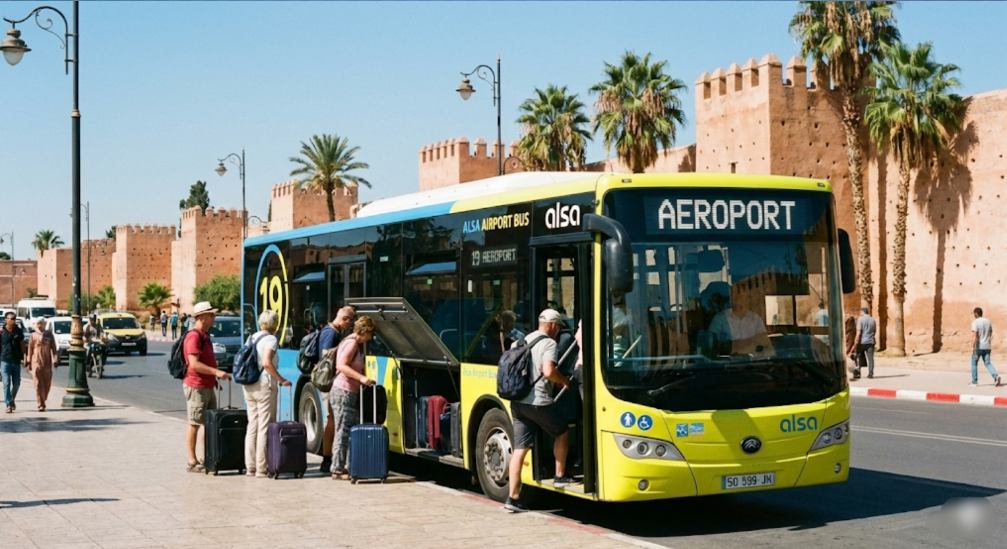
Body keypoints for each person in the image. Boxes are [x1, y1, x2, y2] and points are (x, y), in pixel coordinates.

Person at [505, 309, 573, 513]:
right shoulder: (549, 343)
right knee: (562, 432)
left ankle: (512, 498)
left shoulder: (521, 341)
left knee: (519, 449)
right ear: (552, 325)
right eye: (558, 326)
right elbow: (549, 371)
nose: (558, 330)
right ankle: (560, 475)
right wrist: (565, 381)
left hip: (518, 402)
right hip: (539, 402)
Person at [182, 301, 231, 473]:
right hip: (196, 386)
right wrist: (216, 372)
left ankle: (206, 457)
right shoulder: (194, 336)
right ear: (202, 317)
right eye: (211, 315)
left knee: (209, 423)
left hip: (207, 385)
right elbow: (194, 364)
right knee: (195, 422)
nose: (214, 318)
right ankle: (192, 460)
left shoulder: (205, 335)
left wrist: (214, 379)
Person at [242, 309, 291, 478]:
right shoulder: (271, 339)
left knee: (252, 425)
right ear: (275, 324)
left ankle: (250, 466)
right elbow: (267, 363)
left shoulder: (251, 337)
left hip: (249, 384)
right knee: (264, 426)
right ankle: (262, 468)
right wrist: (282, 379)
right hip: (264, 385)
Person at [328, 315, 376, 480]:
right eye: (370, 334)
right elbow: (341, 365)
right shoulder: (352, 343)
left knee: (349, 430)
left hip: (347, 392)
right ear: (365, 331)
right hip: (343, 392)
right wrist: (361, 378)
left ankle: (347, 466)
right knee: (343, 431)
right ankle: (337, 469)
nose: (370, 337)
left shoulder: (349, 341)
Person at [317, 306, 357, 473]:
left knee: (333, 420)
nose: (350, 325)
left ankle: (330, 459)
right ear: (345, 319)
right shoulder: (331, 333)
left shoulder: (329, 331)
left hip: (331, 382)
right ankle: (327, 460)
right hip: (331, 383)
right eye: (351, 321)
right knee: (332, 421)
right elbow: (327, 357)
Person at [708, 283, 771, 355]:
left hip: (753, 363)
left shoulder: (756, 319)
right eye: (736, 297)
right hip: (727, 364)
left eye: (742, 297)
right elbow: (710, 348)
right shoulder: (719, 320)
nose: (739, 301)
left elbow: (767, 346)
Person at [26, 318, 59, 411]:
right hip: (36, 361)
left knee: (47, 383)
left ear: (44, 324)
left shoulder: (49, 334)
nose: (39, 325)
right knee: (37, 383)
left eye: (41, 323)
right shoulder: (33, 335)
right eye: (38, 323)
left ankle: (43, 398)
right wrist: (29, 361)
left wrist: (55, 359)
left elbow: (54, 348)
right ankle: (40, 403)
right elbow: (30, 349)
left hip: (47, 362)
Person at [1, 311, 27, 413]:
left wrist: (25, 356)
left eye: (14, 319)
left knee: (16, 383)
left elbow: (22, 345)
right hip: (5, 360)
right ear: (6, 319)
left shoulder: (18, 331)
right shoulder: (1, 332)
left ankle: (12, 399)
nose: (12, 320)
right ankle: (8, 404)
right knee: (6, 383)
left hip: (16, 360)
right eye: (10, 318)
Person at [969, 307, 1001, 387]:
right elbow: (990, 334)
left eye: (974, 314)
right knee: (987, 363)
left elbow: (974, 335)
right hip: (987, 346)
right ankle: (995, 376)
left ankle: (974, 381)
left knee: (974, 363)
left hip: (978, 346)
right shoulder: (988, 321)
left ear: (976, 313)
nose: (973, 315)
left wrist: (973, 347)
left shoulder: (975, 322)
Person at [847, 307, 877, 379]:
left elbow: (859, 332)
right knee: (870, 358)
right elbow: (874, 331)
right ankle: (870, 373)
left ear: (862, 312)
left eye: (860, 312)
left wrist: (856, 342)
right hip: (870, 341)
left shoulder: (861, 319)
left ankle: (857, 372)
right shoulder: (873, 320)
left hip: (862, 342)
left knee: (857, 356)